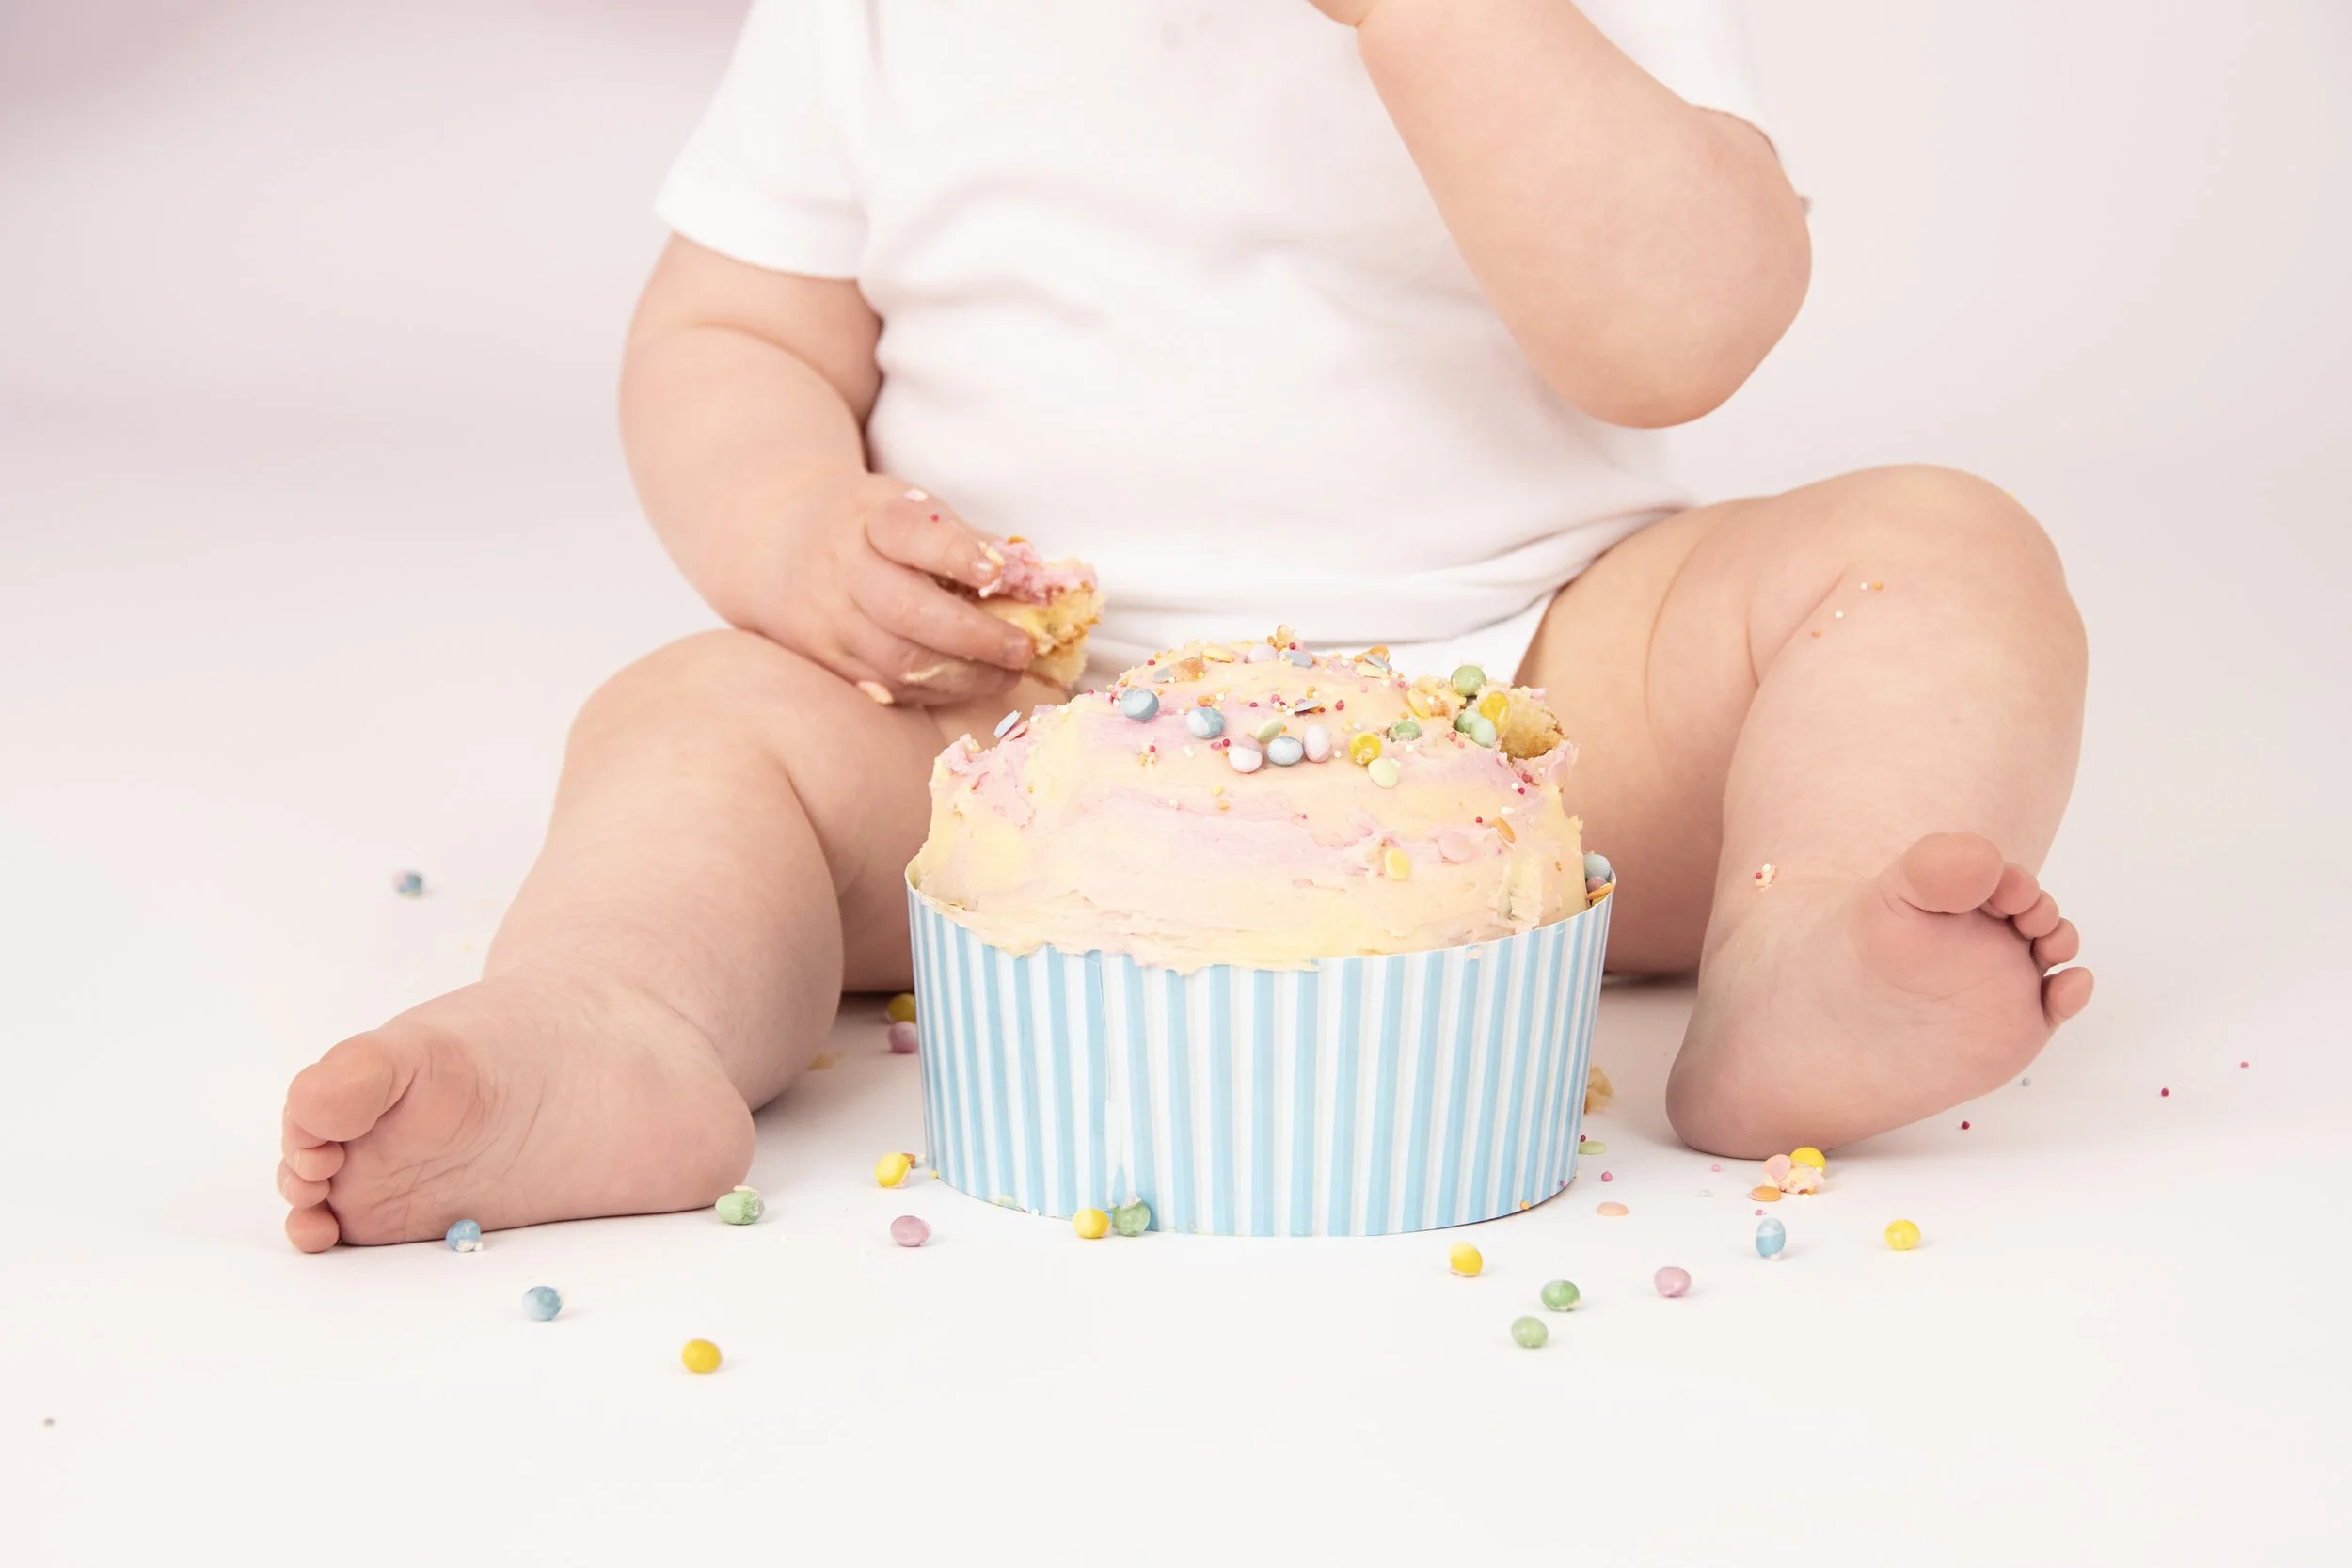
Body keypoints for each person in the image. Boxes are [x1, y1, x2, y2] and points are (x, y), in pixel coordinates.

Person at [276, 0, 2089, 1251]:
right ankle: (615, 1018)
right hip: (996, 738)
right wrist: (795, 532)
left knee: (1938, 550)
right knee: (688, 718)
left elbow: (1688, 326)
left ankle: (1803, 962)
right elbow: (729, 337)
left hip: (1539, 693)